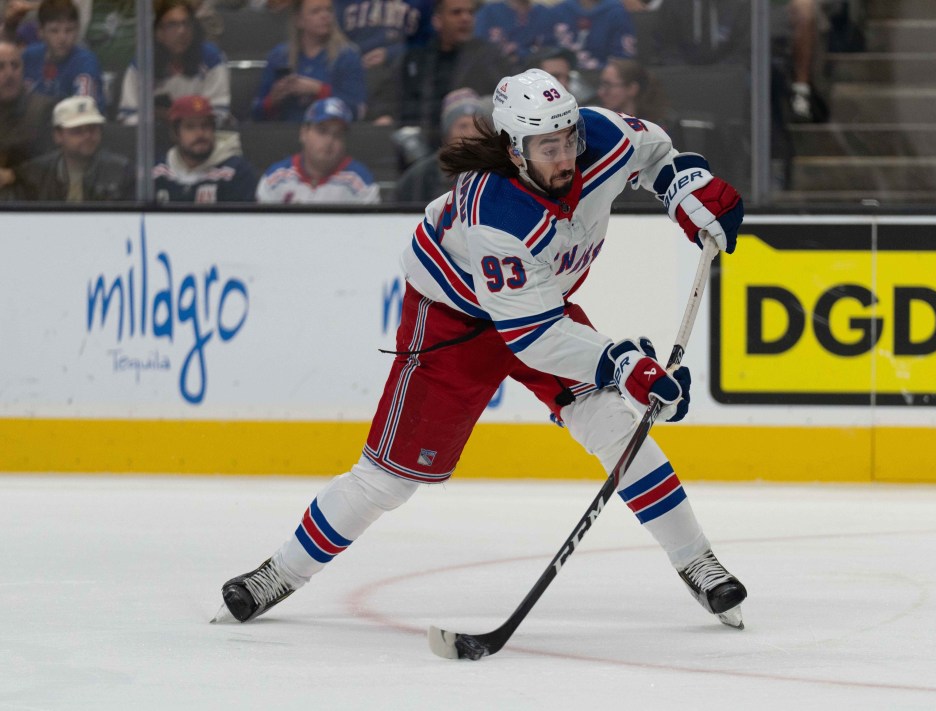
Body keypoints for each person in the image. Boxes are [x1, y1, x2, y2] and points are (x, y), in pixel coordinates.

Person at [215, 68, 748, 632]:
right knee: (389, 478)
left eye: (568, 138)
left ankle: (698, 562)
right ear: (515, 150)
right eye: (549, 146)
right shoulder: (495, 213)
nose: (566, 156)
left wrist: (683, 187)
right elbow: (532, 337)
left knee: (614, 425)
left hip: (540, 307)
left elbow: (654, 153)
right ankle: (277, 574)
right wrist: (623, 365)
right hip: (455, 324)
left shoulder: (599, 135)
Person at [388, 0, 510, 143]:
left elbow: (506, 102)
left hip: (475, 141)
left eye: (470, 13)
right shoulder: (416, 60)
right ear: (437, 21)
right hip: (423, 141)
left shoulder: (490, 57)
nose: (465, 18)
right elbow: (399, 102)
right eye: (456, 12)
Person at [117, 0, 231, 125]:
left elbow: (220, 112)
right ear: (158, 32)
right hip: (157, 137)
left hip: (199, 135)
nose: (181, 31)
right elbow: (128, 115)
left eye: (186, 24)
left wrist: (184, 121)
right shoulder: (143, 62)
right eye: (172, 25)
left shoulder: (211, 58)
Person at [251, 0, 366, 122]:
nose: (325, 16)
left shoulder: (347, 55)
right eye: (315, 11)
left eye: (329, 10)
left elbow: (357, 110)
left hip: (329, 130)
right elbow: (256, 114)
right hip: (286, 132)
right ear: (299, 20)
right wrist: (273, 99)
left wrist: (318, 90)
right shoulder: (279, 56)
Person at [256, 96, 381, 203]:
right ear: (304, 133)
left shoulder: (361, 183)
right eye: (322, 131)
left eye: (337, 135)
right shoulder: (275, 178)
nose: (329, 141)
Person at [15, 95, 133, 200]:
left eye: (92, 129)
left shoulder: (122, 172)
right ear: (58, 136)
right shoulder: (36, 172)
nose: (87, 136)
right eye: (77, 131)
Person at [153, 93, 257, 202]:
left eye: (206, 125)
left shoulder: (237, 172)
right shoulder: (156, 172)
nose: (200, 133)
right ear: (175, 133)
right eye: (190, 127)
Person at [393, 87, 488, 202]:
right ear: (447, 134)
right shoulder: (420, 176)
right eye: (463, 126)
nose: (472, 134)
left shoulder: (500, 175)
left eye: (479, 126)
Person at [0, 37, 56, 199]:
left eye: (15, 66)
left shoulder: (43, 109)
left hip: (28, 196)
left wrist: (14, 174)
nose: (9, 74)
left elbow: (55, 161)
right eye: (1, 67)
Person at [21, 0, 104, 106]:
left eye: (69, 30)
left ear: (77, 29)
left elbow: (84, 111)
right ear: (40, 32)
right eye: (54, 31)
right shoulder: (28, 56)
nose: (62, 38)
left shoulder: (86, 62)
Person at [549, 0, 635, 71]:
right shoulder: (559, 11)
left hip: (603, 79)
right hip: (561, 80)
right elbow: (547, 52)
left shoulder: (617, 12)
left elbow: (623, 59)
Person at [475, 0, 555, 67]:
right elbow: (478, 49)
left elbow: (550, 51)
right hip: (495, 73)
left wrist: (520, 53)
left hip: (535, 74)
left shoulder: (545, 14)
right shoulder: (488, 13)